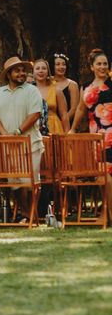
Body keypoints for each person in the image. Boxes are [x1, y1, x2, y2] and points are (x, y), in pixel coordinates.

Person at [0, 56, 44, 223]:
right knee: (15, 184)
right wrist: (4, 134)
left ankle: (32, 215)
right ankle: (28, 215)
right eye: (17, 70)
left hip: (31, 144)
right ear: (9, 74)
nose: (21, 73)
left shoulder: (32, 90)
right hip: (9, 146)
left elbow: (35, 114)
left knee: (31, 183)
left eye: (23, 70)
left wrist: (19, 130)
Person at [69, 48, 112, 221]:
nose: (102, 67)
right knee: (102, 175)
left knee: (108, 174)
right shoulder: (85, 87)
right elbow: (80, 108)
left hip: (111, 134)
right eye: (99, 64)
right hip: (95, 136)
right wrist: (73, 128)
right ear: (92, 66)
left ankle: (107, 213)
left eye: (105, 64)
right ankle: (106, 213)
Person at [33, 59, 69, 134]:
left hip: (54, 128)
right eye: (37, 68)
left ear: (48, 72)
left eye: (44, 68)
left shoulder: (56, 90)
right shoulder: (29, 92)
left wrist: (67, 135)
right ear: (33, 72)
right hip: (34, 127)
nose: (41, 71)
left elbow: (64, 115)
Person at [52, 53, 79, 122]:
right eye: (58, 64)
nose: (61, 67)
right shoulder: (48, 83)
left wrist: (62, 122)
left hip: (65, 124)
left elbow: (74, 109)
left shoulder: (72, 84)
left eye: (64, 64)